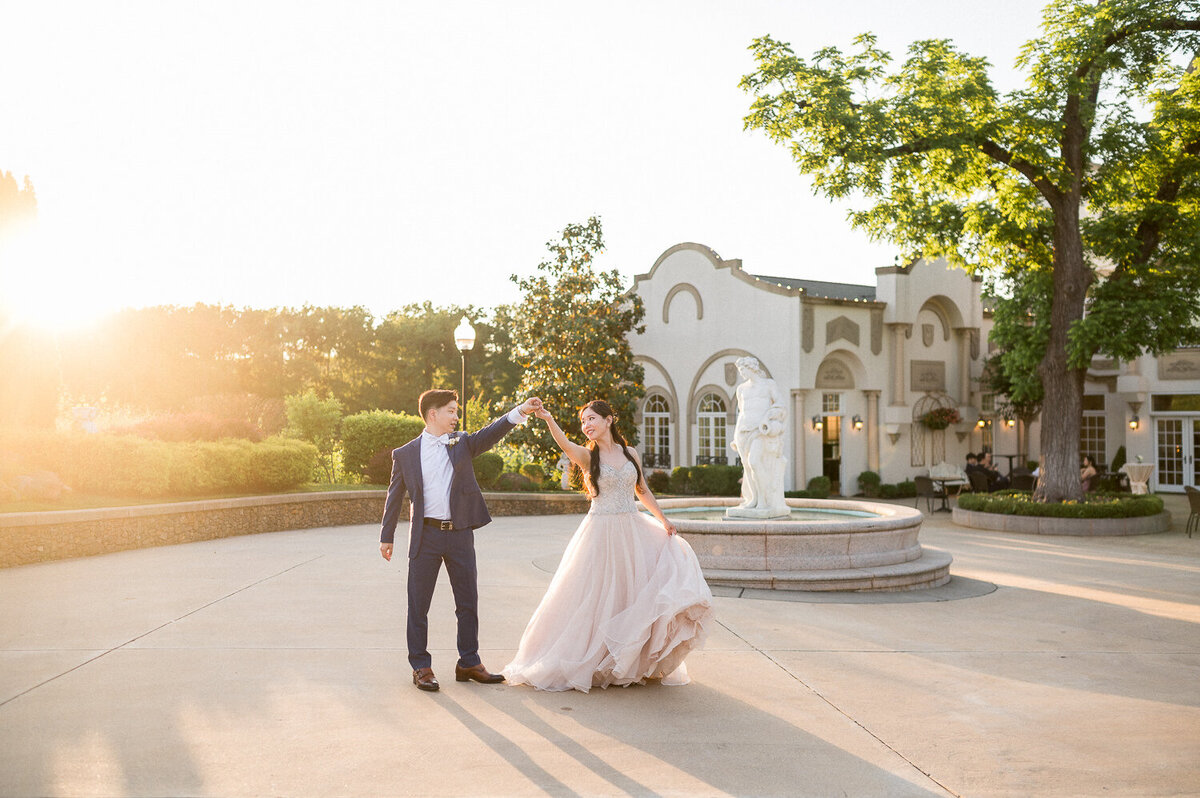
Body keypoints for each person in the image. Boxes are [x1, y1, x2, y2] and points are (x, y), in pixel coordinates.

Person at [503, 399, 714, 692]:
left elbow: (643, 490)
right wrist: (549, 419)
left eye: (591, 419)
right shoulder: (589, 458)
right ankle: (593, 660)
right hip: (600, 531)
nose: (587, 425)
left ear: (608, 420)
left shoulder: (630, 454)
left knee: (632, 593)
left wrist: (663, 519)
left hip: (632, 528)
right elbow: (565, 445)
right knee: (595, 595)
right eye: (583, 422)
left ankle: (630, 662)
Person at [379, 389, 543, 692]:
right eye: (451, 411)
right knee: (418, 604)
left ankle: (468, 661)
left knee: (467, 601)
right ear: (433, 414)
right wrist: (386, 536)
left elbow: (491, 433)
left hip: (460, 535)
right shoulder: (405, 454)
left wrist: (520, 410)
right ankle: (421, 666)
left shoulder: (462, 443)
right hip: (425, 536)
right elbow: (394, 495)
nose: (457, 417)